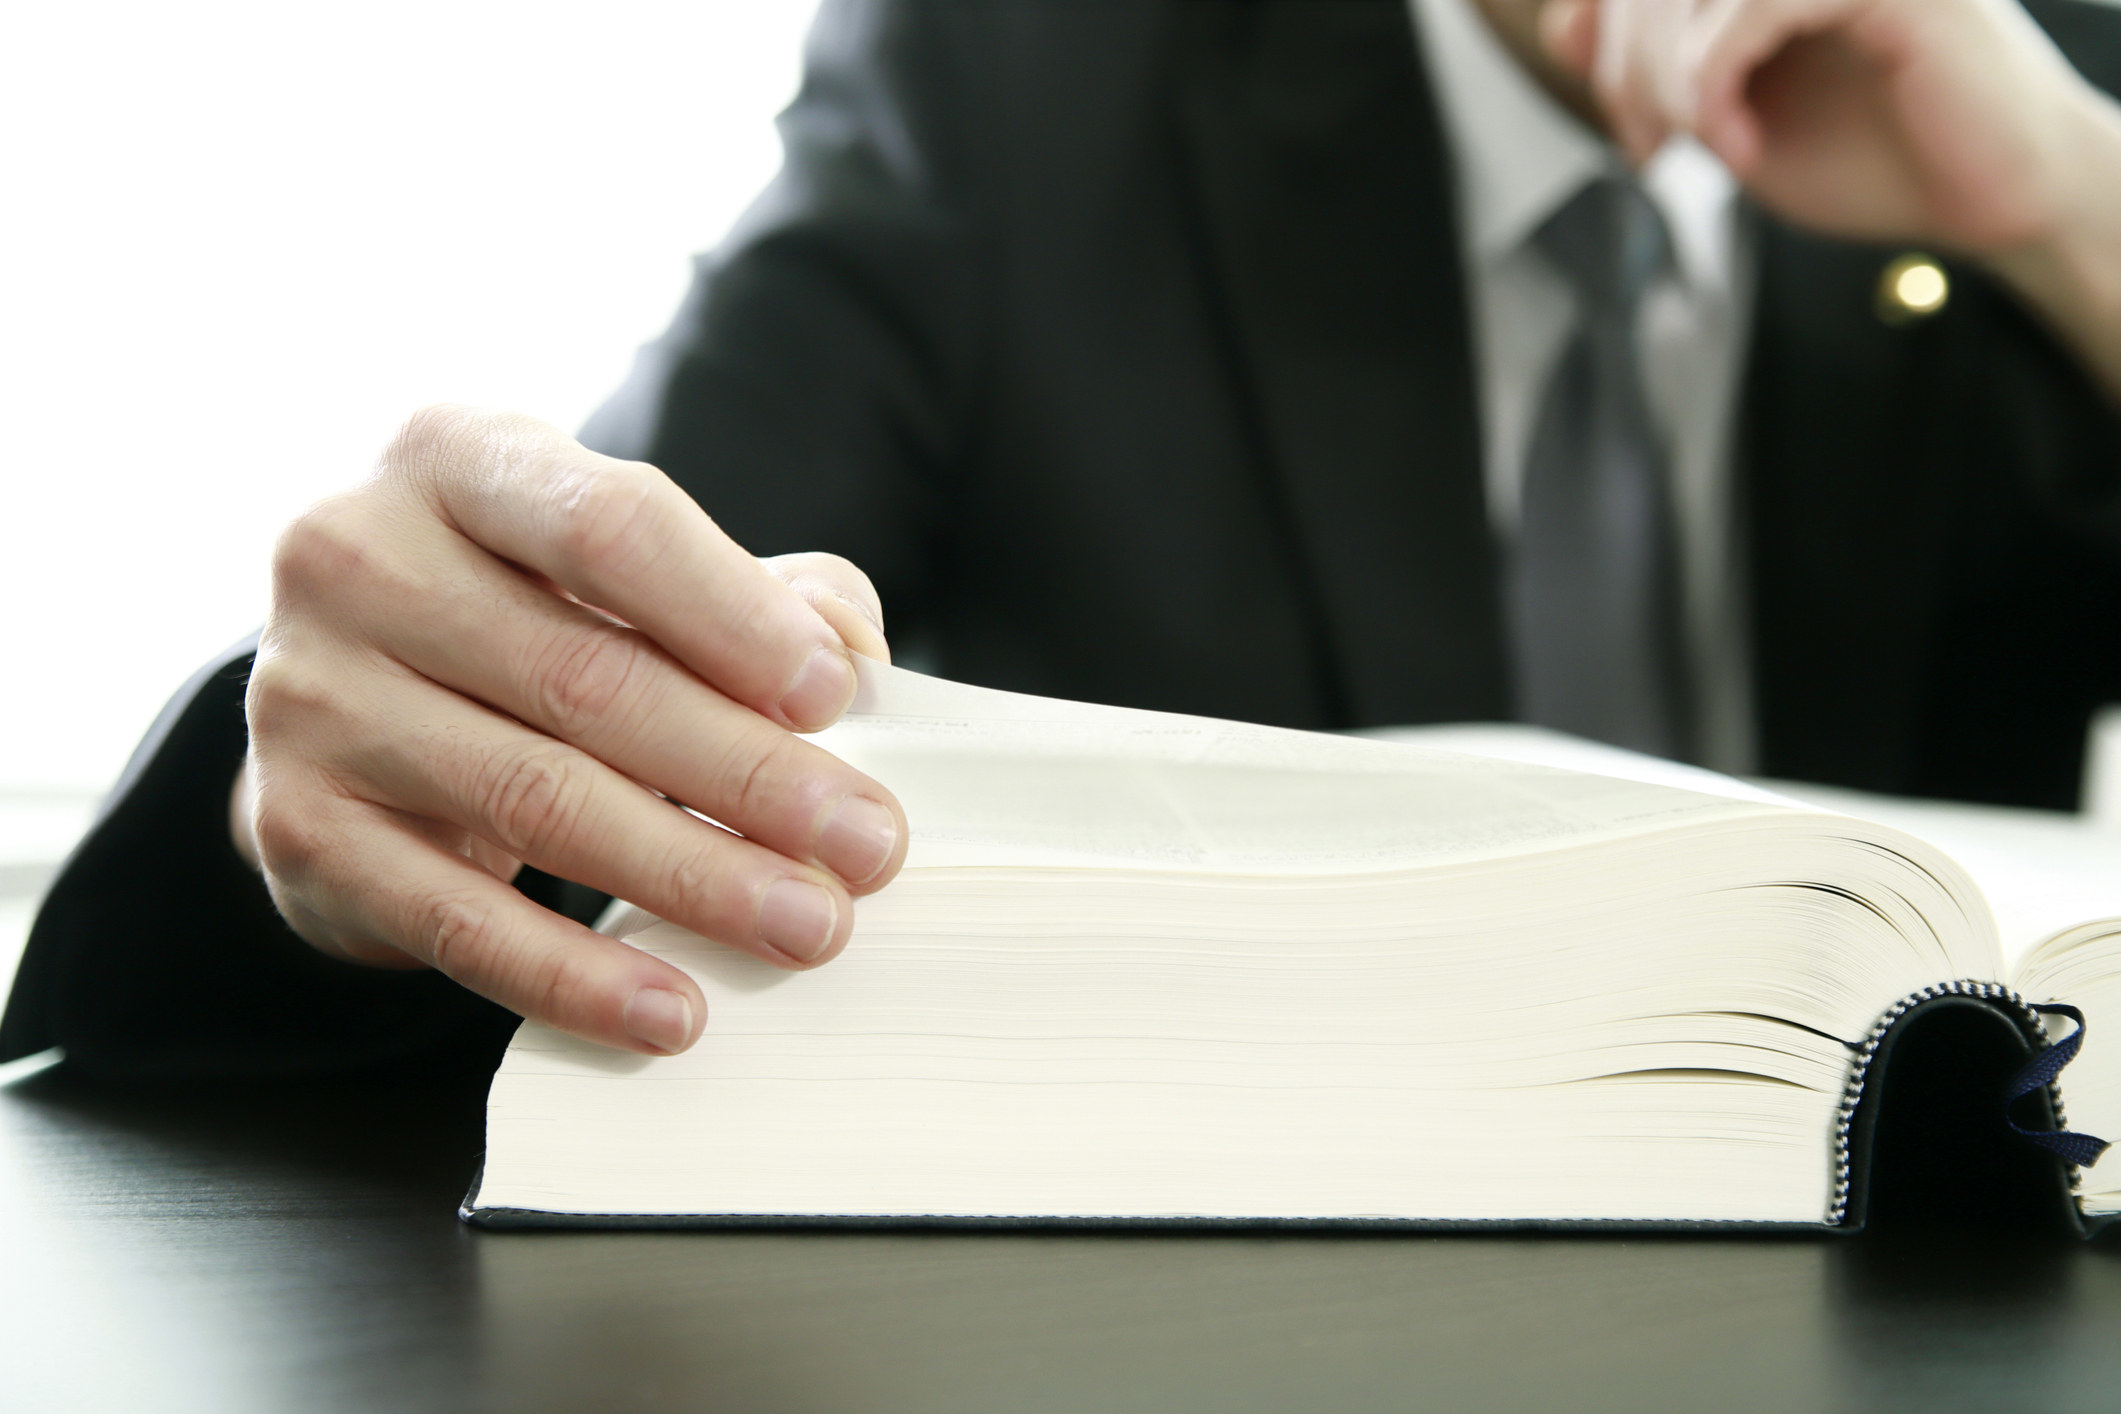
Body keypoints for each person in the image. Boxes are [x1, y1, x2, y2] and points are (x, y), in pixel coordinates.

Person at [5, 0, 2120, 1076]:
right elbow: (552, 687)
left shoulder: (2030, 103)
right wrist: (368, 738)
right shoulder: (1026, 76)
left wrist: (2060, 194)